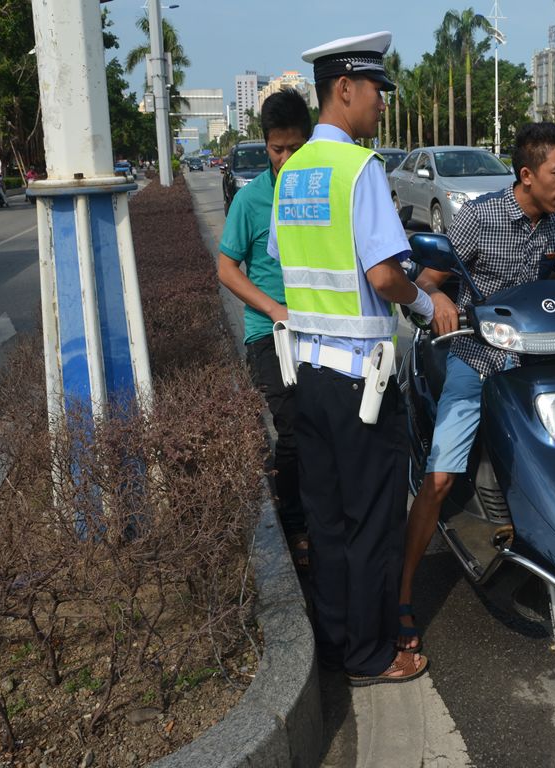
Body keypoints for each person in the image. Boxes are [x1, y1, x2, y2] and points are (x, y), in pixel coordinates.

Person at [268, 30, 434, 686]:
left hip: (307, 376)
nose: (382, 104)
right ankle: (371, 654)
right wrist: (426, 303)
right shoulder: (358, 171)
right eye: (376, 91)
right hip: (361, 382)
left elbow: (292, 266)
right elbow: (387, 276)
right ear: (345, 89)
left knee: (329, 519)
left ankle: (340, 641)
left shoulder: (292, 172)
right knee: (371, 522)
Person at [398, 122, 555, 651]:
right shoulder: (479, 218)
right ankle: (404, 594)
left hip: (539, 366)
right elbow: (431, 280)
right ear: (527, 175)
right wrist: (436, 303)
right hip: (477, 360)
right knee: (437, 478)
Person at [217, 89, 311, 568]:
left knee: (330, 424)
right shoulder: (251, 200)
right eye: (278, 149)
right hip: (270, 334)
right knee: (292, 429)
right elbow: (227, 268)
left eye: (296, 147)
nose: (287, 158)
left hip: (320, 327)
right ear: (266, 146)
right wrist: (274, 310)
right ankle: (296, 524)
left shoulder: (320, 192)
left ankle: (324, 512)